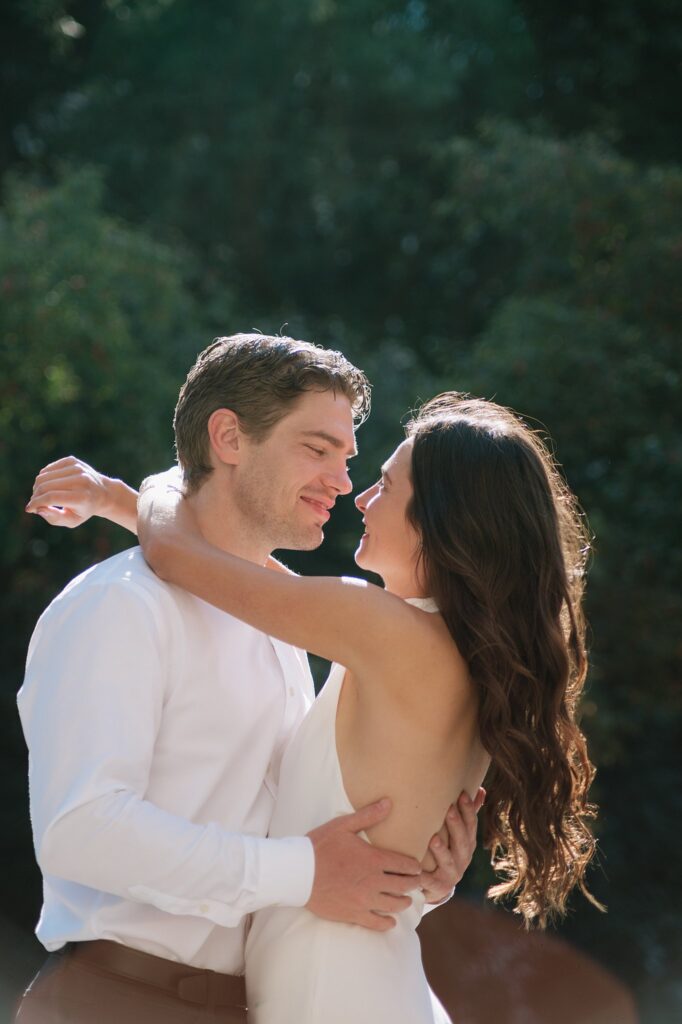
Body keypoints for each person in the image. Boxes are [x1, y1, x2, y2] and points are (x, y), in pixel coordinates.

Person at [32, 377, 601, 1021]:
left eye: (385, 484)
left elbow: (181, 554)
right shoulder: (452, 655)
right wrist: (423, 881)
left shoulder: (378, 629)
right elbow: (241, 573)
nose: (360, 496)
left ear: (441, 520)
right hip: (355, 982)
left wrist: (142, 492)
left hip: (330, 990)